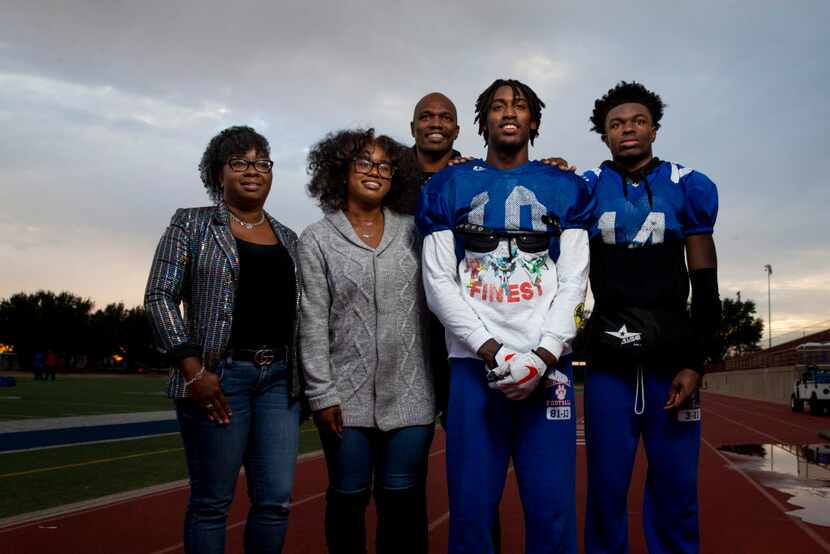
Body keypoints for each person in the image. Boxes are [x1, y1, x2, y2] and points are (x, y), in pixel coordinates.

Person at [416, 79, 593, 554]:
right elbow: (438, 285)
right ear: (483, 121)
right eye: (497, 106)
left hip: (548, 367)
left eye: (519, 106)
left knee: (553, 510)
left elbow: (577, 285)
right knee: (471, 513)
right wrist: (491, 349)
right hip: (476, 369)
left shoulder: (566, 187)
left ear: (534, 119)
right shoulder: (447, 185)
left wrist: (542, 355)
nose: (508, 112)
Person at [145, 126, 302, 554]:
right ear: (219, 173)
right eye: (240, 162)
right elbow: (159, 295)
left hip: (279, 382)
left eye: (262, 163)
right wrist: (193, 368)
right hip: (218, 378)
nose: (253, 171)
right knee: (212, 503)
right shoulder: (192, 224)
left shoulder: (289, 238)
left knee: (276, 502)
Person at [580, 81, 721, 554]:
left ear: (654, 129)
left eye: (637, 121)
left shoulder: (687, 186)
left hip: (671, 359)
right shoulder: (585, 188)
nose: (628, 130)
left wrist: (696, 361)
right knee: (604, 491)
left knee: (677, 491)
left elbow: (705, 284)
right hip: (608, 363)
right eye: (616, 124)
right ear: (604, 135)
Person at [299, 129, 435, 554]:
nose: (375, 172)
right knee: (348, 499)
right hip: (344, 400)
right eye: (364, 162)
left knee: (402, 503)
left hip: (413, 395)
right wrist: (321, 393)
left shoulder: (416, 232)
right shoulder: (317, 238)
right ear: (341, 171)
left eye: (384, 165)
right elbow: (312, 320)